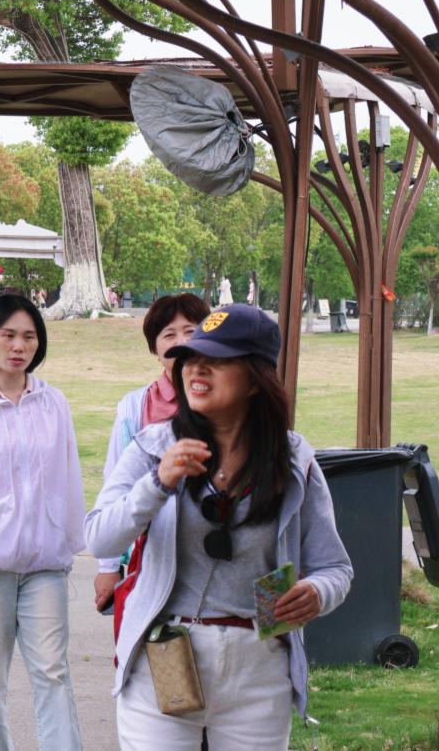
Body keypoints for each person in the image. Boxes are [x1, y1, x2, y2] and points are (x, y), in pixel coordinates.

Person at [85, 304, 353, 749]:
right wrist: (158, 484)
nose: (196, 368)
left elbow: (335, 569)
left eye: (217, 359)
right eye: (191, 357)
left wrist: (317, 592)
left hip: (259, 667)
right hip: (166, 655)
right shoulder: (154, 447)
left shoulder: (293, 462)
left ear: (256, 379)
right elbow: (99, 537)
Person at [0, 294, 86, 750]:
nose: (19, 346)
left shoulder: (53, 402)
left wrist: (68, 543)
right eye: (8, 335)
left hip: (45, 564)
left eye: (29, 337)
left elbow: (69, 474)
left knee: (53, 671)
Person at [94, 294, 211, 611]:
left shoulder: (224, 402)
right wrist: (108, 567)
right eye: (169, 335)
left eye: (191, 331)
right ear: (155, 350)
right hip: (148, 555)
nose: (181, 342)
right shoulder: (136, 407)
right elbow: (114, 484)